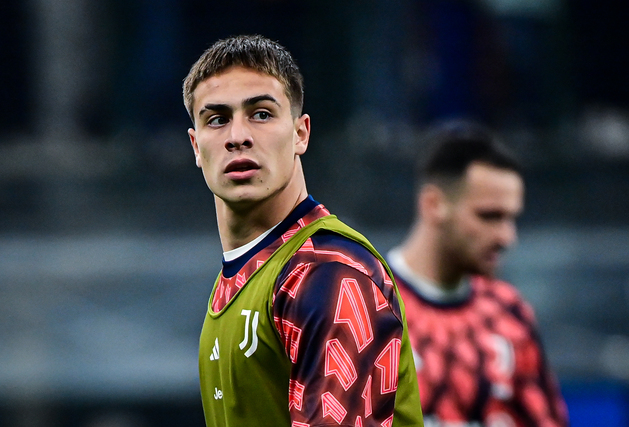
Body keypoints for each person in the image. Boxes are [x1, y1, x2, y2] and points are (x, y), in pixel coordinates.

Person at [182, 34, 422, 427]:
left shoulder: (328, 272)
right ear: (196, 146)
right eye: (217, 119)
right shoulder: (247, 274)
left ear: (300, 133)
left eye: (261, 114)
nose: (237, 136)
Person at [387, 120, 569, 427]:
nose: (507, 237)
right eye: (489, 216)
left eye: (511, 218)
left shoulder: (508, 313)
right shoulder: (368, 304)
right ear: (433, 204)